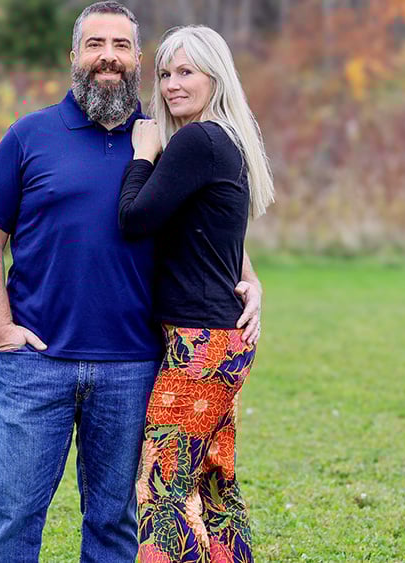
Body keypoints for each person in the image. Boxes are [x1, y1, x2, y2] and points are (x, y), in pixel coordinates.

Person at [0, 3, 263, 562]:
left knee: (114, 521)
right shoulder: (29, 136)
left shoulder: (161, 138)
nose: (108, 57)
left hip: (134, 365)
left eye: (121, 45)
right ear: (74, 56)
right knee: (13, 512)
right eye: (95, 44)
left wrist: (250, 280)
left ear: (137, 58)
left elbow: (210, 224)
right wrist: (0, 327)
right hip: (38, 363)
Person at [118, 25, 275, 563]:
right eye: (164, 74)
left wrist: (142, 155)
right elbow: (218, 238)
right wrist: (253, 281)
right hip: (221, 341)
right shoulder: (225, 140)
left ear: (216, 76)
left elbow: (135, 219)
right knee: (212, 486)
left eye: (186, 72)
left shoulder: (196, 140)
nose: (171, 85)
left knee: (162, 487)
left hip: (200, 346)